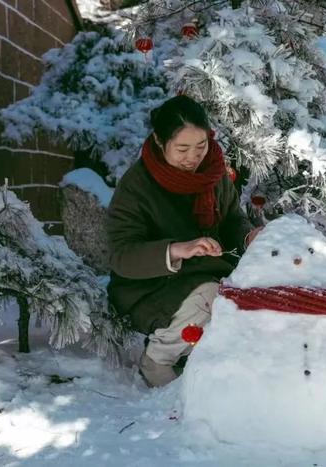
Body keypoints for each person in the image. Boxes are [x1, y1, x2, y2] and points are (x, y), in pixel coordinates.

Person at [106, 95, 261, 388]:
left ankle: (203, 359)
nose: (193, 157)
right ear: (159, 140)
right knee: (212, 297)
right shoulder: (137, 185)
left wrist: (249, 235)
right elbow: (121, 254)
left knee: (247, 298)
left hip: (207, 270)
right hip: (151, 286)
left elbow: (230, 220)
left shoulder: (214, 173)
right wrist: (177, 249)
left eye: (201, 146)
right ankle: (158, 359)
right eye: (182, 149)